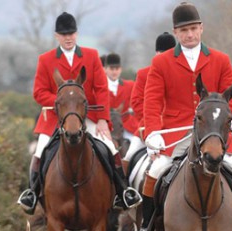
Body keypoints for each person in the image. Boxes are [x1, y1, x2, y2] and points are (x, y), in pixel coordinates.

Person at [133, 2, 232, 231]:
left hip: (214, 130)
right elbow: (151, 101)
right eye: (184, 31)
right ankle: (146, 230)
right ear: (176, 33)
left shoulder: (220, 59)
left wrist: (215, 111)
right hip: (176, 131)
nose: (189, 34)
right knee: (155, 170)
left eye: (193, 28)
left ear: (201, 28)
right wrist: (152, 132)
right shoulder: (161, 63)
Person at [17, 12, 141, 214]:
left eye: (71, 33)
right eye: (64, 34)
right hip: (54, 118)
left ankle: (123, 191)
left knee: (111, 148)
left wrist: (102, 119)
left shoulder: (91, 56)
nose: (68, 37)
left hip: (89, 116)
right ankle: (32, 194)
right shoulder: (46, 59)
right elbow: (38, 92)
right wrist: (63, 103)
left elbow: (101, 89)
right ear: (57, 36)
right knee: (39, 151)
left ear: (77, 34)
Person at [125, 32, 177, 172]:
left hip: (175, 125)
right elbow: (136, 102)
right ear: (156, 54)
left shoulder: (181, 73)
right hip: (148, 126)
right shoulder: (143, 74)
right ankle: (123, 192)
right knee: (129, 156)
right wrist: (153, 118)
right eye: (162, 54)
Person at [104, 52, 139, 169]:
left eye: (117, 68)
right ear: (105, 69)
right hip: (107, 127)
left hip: (127, 125)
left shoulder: (130, 85)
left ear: (120, 69)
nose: (114, 72)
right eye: (111, 68)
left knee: (135, 150)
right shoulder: (100, 87)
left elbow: (135, 103)